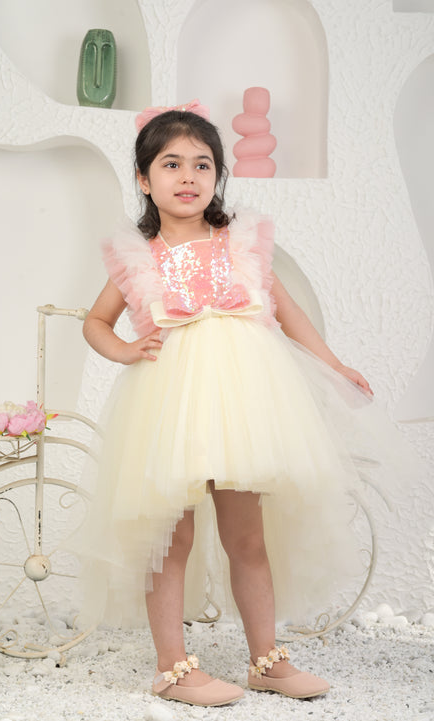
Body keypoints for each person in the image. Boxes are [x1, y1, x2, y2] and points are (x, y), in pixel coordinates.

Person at [80, 100, 391, 707]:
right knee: (170, 539)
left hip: (244, 407)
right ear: (144, 179)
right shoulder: (138, 255)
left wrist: (332, 366)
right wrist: (123, 350)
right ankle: (172, 668)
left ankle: (266, 660)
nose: (188, 176)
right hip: (168, 408)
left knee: (247, 538)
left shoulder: (239, 243)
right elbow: (95, 322)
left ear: (218, 177)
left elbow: (289, 313)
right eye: (171, 164)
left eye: (202, 165)